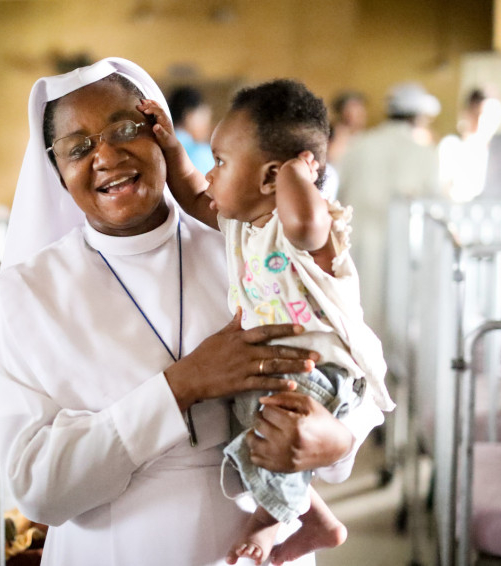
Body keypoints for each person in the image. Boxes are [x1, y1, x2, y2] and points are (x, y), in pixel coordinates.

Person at [0, 57, 385, 566]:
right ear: (57, 172)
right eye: (78, 148)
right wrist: (181, 386)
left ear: (161, 134)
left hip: (262, 552)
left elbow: (346, 361)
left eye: (125, 129)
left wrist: (339, 442)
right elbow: (37, 489)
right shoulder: (26, 294)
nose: (105, 156)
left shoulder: (251, 247)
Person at [140, 79, 394, 565]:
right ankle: (316, 518)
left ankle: (270, 523)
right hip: (278, 370)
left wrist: (298, 174)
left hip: (320, 374)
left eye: (221, 162)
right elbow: (194, 195)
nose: (210, 174)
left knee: (269, 431)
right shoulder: (239, 225)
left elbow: (305, 222)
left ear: (271, 177)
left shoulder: (306, 229)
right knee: (255, 432)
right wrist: (171, 148)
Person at [335, 81, 441, 341]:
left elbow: (339, 194)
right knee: (399, 320)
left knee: (360, 314)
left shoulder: (359, 146)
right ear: (418, 117)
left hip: (356, 243)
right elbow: (435, 202)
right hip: (403, 248)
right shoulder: (424, 154)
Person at [438, 86, 501, 202]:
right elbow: (445, 191)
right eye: (479, 114)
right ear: (468, 112)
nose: (485, 121)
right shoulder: (452, 146)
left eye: (493, 115)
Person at [167, 85, 216, 173]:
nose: (208, 126)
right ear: (189, 116)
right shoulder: (202, 154)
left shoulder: (159, 145)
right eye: (204, 118)